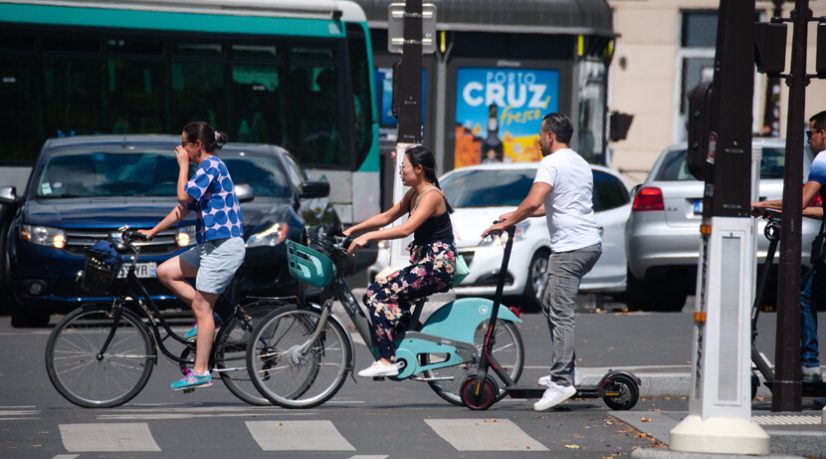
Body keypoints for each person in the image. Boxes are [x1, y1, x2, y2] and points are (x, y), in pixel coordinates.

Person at [482, 113, 602, 411]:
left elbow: (535, 201)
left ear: (550, 136)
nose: (538, 139)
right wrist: (510, 218)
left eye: (540, 134)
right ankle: (563, 374)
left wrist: (507, 222)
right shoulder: (579, 163)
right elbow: (551, 206)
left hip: (570, 248)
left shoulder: (551, 163)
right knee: (550, 301)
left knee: (561, 313)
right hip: (587, 244)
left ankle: (562, 382)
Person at [139, 121, 246, 391]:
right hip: (210, 246)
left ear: (197, 145)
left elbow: (182, 194)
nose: (180, 149)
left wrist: (182, 166)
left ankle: (201, 372)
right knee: (165, 272)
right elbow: (182, 209)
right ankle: (209, 316)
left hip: (223, 246)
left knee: (201, 307)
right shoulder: (204, 170)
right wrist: (152, 231)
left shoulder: (210, 166)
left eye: (184, 144)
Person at [344, 145, 457, 377]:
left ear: (418, 169)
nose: (400, 171)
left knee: (378, 295)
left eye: (404, 167)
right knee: (371, 295)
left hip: (435, 267)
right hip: (425, 265)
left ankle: (387, 359)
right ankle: (408, 342)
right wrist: (353, 230)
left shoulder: (431, 195)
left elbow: (406, 229)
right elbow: (386, 217)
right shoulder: (414, 193)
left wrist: (368, 237)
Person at [752, 110, 826, 383]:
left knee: (803, 296)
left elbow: (802, 201)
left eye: (811, 134)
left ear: (823, 133)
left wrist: (763, 204)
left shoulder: (823, 159)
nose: (809, 141)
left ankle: (809, 365)